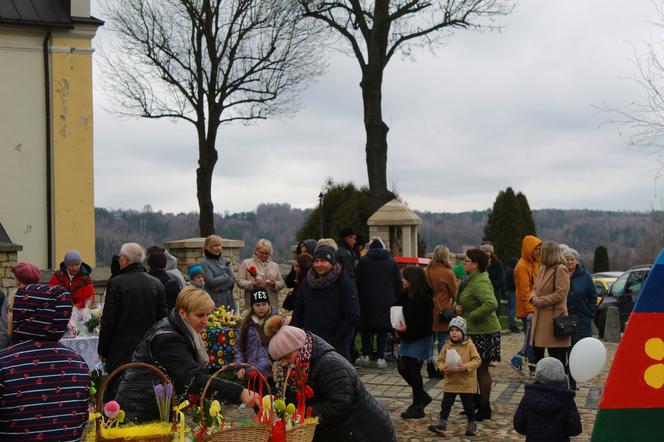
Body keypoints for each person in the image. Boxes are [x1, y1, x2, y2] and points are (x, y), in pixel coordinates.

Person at [114, 286, 259, 422]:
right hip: (139, 409)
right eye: (200, 315)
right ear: (183, 312)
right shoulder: (167, 338)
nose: (206, 322)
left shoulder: (179, 328)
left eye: (208, 315)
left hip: (152, 405)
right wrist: (240, 392)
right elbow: (193, 379)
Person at [265, 315, 396, 442]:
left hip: (365, 433)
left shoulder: (330, 365)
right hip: (340, 432)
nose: (283, 363)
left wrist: (302, 414)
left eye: (286, 357)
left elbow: (339, 404)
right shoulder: (296, 368)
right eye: (279, 360)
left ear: (300, 348)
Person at [0, 282, 89, 440]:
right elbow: (81, 421)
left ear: (26, 316)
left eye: (11, 310)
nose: (7, 316)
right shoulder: (78, 363)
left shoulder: (4, 364)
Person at [98, 243, 168, 388]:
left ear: (124, 259)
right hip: (149, 349)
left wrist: (103, 350)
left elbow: (108, 320)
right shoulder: (156, 284)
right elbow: (162, 320)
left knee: (118, 395)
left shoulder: (116, 283)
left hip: (120, 351)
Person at [453, 248, 501, 421]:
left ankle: (484, 407)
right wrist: (457, 309)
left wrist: (470, 317)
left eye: (466, 261)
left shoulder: (480, 281)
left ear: (475, 265)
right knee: (470, 369)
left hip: (484, 332)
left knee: (481, 369)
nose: (463, 263)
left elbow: (491, 303)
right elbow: (459, 302)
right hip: (472, 331)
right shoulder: (468, 280)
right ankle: (473, 403)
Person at [291, 245, 359, 361]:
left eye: (323, 261)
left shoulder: (343, 283)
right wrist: (291, 334)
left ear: (331, 262)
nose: (319, 265)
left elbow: (352, 314)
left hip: (337, 345)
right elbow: (299, 312)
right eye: (316, 261)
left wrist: (336, 339)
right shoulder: (307, 283)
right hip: (312, 341)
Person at [428, 316, 481, 437]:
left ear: (462, 332)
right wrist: (442, 368)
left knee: (468, 405)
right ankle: (442, 423)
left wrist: (466, 366)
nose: (454, 333)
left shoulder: (469, 346)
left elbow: (477, 360)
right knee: (446, 403)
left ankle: (472, 423)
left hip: (465, 382)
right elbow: (440, 360)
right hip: (451, 381)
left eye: (457, 330)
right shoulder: (447, 346)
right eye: (451, 330)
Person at [355, 237, 402, 369]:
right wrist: (397, 299)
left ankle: (365, 355)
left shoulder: (363, 261)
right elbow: (398, 283)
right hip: (386, 301)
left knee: (366, 330)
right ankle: (381, 357)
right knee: (382, 330)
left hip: (366, 300)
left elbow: (357, 281)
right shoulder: (391, 262)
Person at [394, 266, 434, 419]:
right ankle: (422, 396)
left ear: (413, 280)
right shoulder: (404, 295)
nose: (402, 280)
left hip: (420, 337)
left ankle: (417, 405)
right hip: (406, 336)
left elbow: (425, 324)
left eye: (405, 277)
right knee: (402, 368)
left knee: (412, 369)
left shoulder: (425, 299)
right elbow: (396, 307)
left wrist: (408, 328)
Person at [513, 357, 582, 441]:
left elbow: (519, 425)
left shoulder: (529, 396)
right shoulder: (566, 399)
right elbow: (575, 429)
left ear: (537, 375)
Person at [530, 241, 571, 371]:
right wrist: (533, 297)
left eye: (542, 251)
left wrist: (541, 301)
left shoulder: (560, 269)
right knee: (538, 355)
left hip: (554, 319)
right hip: (540, 319)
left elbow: (561, 293)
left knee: (557, 358)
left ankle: (560, 386)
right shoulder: (542, 268)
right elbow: (535, 287)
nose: (539, 253)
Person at [562, 247, 597, 389]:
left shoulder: (585, 276)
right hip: (564, 318)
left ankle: (573, 381)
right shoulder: (561, 274)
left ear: (576, 261)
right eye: (567, 259)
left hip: (582, 318)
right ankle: (564, 378)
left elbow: (593, 296)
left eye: (572, 259)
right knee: (564, 349)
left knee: (577, 351)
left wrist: (590, 312)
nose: (570, 262)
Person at [423, 245, 458, 378]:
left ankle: (429, 364)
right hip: (443, 311)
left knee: (429, 340)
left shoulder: (425, 271)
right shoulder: (448, 273)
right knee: (443, 340)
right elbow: (455, 293)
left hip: (428, 309)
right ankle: (441, 367)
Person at [510, 235, 542, 377]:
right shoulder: (522, 267)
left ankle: (531, 365)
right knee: (530, 340)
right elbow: (524, 292)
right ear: (529, 249)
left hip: (535, 307)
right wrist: (530, 310)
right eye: (536, 249)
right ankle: (519, 360)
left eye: (540, 249)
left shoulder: (535, 263)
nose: (539, 251)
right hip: (528, 309)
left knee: (533, 340)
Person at [234, 288, 277, 382]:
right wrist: (240, 366)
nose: (261, 308)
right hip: (252, 373)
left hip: (271, 374)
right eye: (257, 305)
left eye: (264, 304)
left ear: (268, 304)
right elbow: (239, 348)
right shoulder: (246, 324)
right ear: (252, 306)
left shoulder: (276, 322)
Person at [0, 262, 42, 349]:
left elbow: (5, 331)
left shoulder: (14, 299)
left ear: (18, 280)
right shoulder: (45, 296)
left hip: (17, 348)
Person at [236, 238, 285, 308]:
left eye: (267, 253)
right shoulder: (246, 263)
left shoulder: (274, 265)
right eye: (262, 252)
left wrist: (274, 284)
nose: (264, 255)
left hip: (271, 304)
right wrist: (252, 285)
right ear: (256, 251)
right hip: (253, 303)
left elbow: (281, 283)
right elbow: (239, 281)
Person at [199, 235, 236, 310]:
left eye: (220, 245)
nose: (218, 248)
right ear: (207, 247)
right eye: (215, 246)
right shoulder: (204, 262)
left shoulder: (224, 260)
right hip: (214, 299)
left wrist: (221, 288)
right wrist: (225, 276)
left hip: (227, 298)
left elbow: (232, 279)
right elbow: (210, 282)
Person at [480, 242, 504, 315]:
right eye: (483, 251)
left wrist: (488, 280)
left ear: (491, 252)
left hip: (494, 296)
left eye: (487, 251)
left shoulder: (497, 264)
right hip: (481, 297)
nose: (485, 253)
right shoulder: (479, 264)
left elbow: (501, 282)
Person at [504, 257, 520, 333]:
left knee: (510, 309)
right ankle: (512, 325)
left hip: (507, 291)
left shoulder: (507, 270)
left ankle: (510, 324)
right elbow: (515, 282)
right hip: (513, 291)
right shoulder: (513, 271)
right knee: (513, 310)